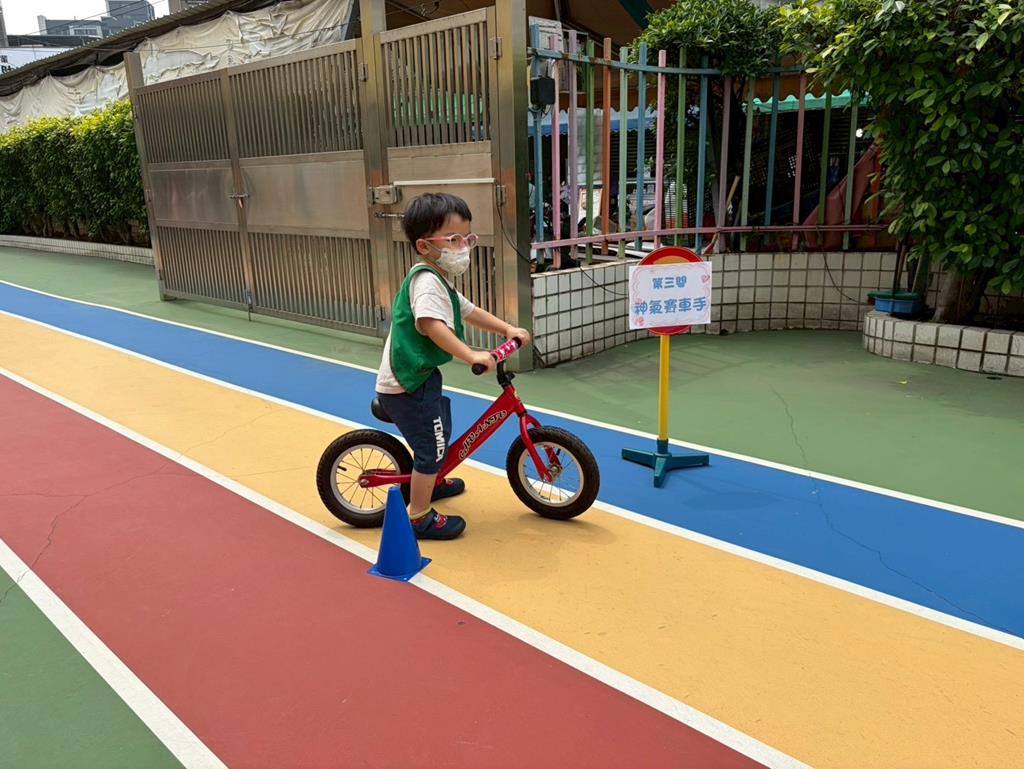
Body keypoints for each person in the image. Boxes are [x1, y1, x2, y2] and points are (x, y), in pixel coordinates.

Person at [375, 193, 530, 540]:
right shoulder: (427, 284)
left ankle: (432, 479)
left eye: (466, 238)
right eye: (454, 239)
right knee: (431, 448)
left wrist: (506, 329)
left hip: (421, 377)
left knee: (440, 430)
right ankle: (418, 516)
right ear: (425, 246)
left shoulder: (439, 279)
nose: (463, 247)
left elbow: (469, 311)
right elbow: (432, 326)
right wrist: (471, 355)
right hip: (405, 385)